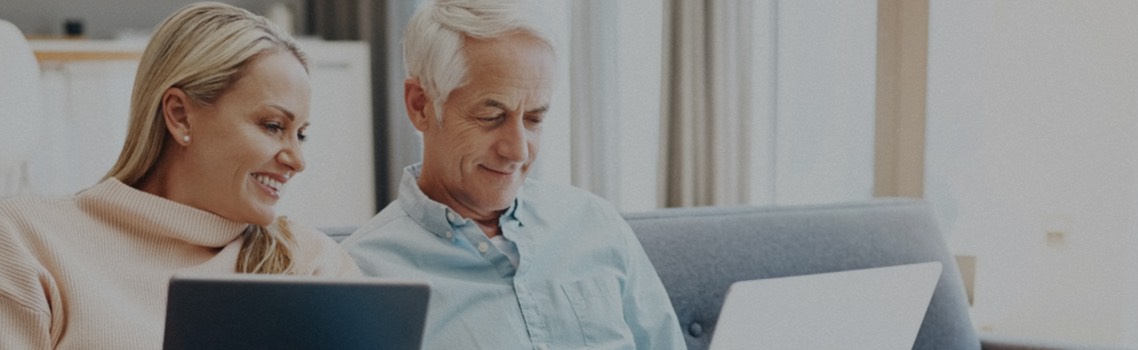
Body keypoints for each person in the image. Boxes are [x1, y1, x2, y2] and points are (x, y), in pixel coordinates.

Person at [0, 3, 360, 349]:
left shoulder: (312, 264)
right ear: (179, 116)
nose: (297, 160)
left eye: (301, 134)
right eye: (272, 126)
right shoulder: (28, 241)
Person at [340, 0, 687, 349]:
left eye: (534, 119)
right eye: (491, 117)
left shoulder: (594, 223)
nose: (518, 151)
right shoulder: (362, 275)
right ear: (421, 105)